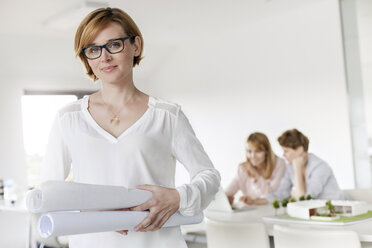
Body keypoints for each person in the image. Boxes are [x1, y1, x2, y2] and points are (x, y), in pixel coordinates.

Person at [41, 7, 220, 248]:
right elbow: (48, 193)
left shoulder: (167, 115)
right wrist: (92, 210)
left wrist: (178, 197)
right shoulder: (68, 119)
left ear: (135, 46)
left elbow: (209, 176)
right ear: (86, 58)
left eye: (114, 45)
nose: (104, 57)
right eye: (94, 49)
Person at [266, 129, 345, 202]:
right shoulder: (290, 167)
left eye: (286, 151)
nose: (283, 155)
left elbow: (305, 199)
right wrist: (256, 201)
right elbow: (281, 194)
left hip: (338, 209)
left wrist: (297, 169)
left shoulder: (320, 167)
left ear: (300, 149)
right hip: (316, 212)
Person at [225, 132, 285, 205]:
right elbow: (228, 191)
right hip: (252, 211)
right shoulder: (244, 168)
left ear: (266, 151)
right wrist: (226, 198)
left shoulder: (279, 164)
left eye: (257, 151)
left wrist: (256, 175)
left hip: (272, 209)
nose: (252, 156)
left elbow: (270, 196)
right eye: (249, 151)